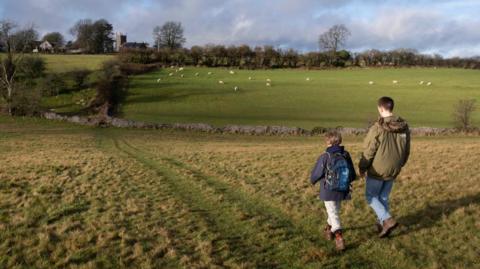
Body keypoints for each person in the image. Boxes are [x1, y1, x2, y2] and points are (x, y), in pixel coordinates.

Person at [359, 96, 410, 238]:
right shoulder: (404, 127)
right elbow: (406, 150)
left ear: (380, 108)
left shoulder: (377, 128)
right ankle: (383, 224)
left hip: (377, 170)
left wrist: (362, 167)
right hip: (394, 168)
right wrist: (399, 165)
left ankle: (387, 220)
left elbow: (369, 151)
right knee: (383, 197)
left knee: (370, 197)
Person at [310, 131, 357, 251]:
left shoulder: (325, 156)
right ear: (339, 141)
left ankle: (338, 236)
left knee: (333, 212)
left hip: (328, 190)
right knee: (334, 211)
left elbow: (317, 173)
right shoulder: (345, 154)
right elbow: (352, 173)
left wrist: (312, 181)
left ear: (328, 142)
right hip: (342, 189)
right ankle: (328, 230)